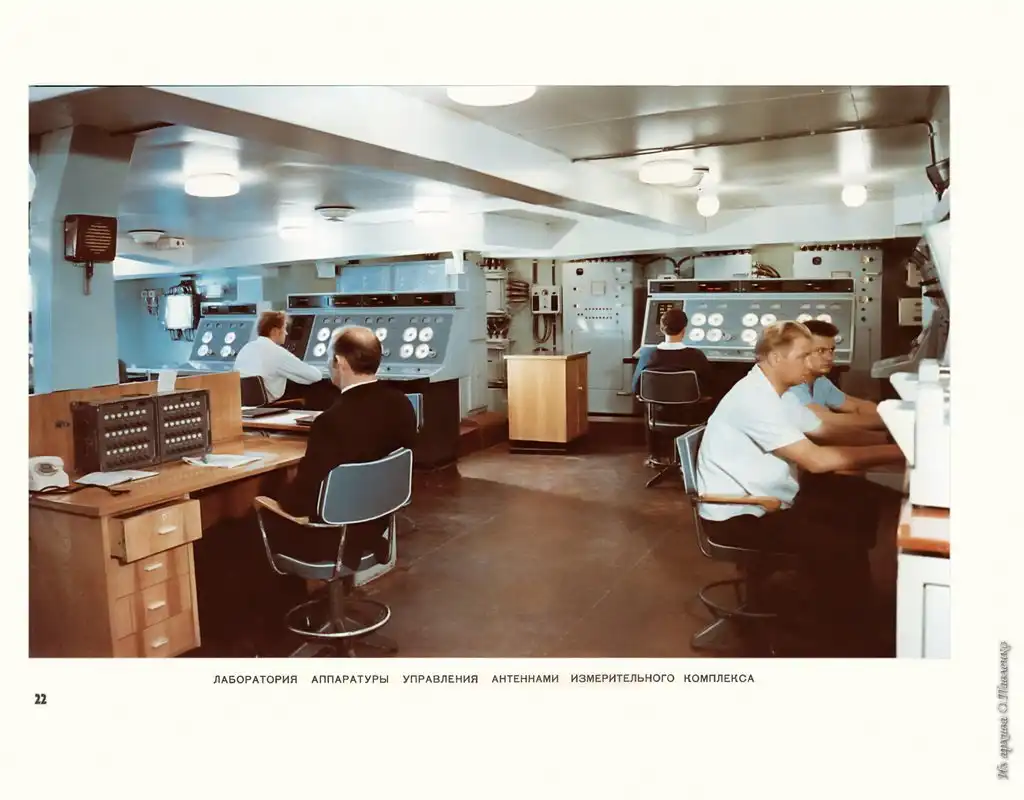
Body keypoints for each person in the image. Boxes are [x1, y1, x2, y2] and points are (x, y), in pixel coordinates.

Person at [695, 321, 904, 640]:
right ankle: (846, 635)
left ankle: (846, 602)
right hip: (742, 514)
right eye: (804, 355)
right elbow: (816, 460)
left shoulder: (778, 394)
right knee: (838, 541)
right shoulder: (754, 400)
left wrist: (894, 441)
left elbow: (823, 430)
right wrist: (901, 451)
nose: (812, 363)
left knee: (856, 498)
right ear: (776, 358)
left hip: (769, 499)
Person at [272, 327, 418, 570]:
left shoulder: (330, 422)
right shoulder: (402, 404)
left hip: (333, 540)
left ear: (339, 362)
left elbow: (298, 504)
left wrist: (274, 492)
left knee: (240, 525)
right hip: (377, 526)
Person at [784, 319, 884, 429]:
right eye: (821, 351)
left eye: (831, 350)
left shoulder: (820, 382)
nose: (829, 357)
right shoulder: (791, 384)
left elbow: (857, 406)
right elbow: (821, 419)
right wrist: (885, 422)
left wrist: (888, 415)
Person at [234, 310, 340, 411]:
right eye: (284, 328)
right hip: (269, 405)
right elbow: (314, 376)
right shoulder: (276, 352)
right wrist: (321, 369)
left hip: (245, 406)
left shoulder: (246, 348)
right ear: (275, 331)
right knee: (323, 386)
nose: (286, 333)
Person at [631, 308, 717, 396]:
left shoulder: (647, 354)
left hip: (654, 402)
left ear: (661, 329)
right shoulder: (696, 355)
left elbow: (635, 388)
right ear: (684, 330)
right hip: (688, 403)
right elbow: (710, 385)